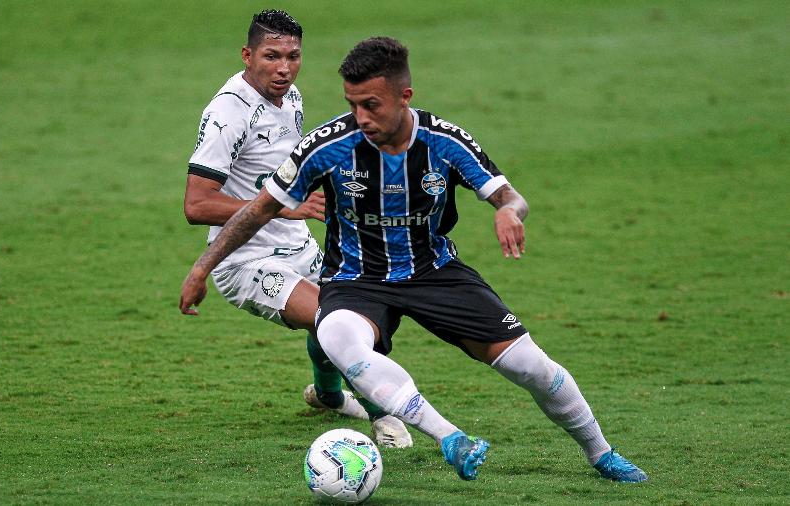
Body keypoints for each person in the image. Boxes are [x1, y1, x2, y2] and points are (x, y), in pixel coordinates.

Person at [180, 36, 648, 483]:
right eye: (351, 104)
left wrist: (508, 210)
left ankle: (601, 452)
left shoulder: (445, 141)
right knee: (336, 334)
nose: (359, 117)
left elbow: (509, 195)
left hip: (435, 272)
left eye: (371, 105)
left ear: (404, 96)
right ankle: (451, 438)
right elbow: (259, 208)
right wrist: (202, 268)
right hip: (355, 278)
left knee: (529, 366)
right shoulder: (326, 147)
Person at [183, 11, 412, 447]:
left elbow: (288, 171)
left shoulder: (291, 99)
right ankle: (387, 417)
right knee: (336, 320)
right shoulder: (227, 114)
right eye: (271, 56)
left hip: (298, 246)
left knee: (357, 318)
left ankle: (327, 396)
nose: (284, 68)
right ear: (248, 56)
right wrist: (283, 209)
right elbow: (196, 204)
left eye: (293, 56)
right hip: (245, 261)